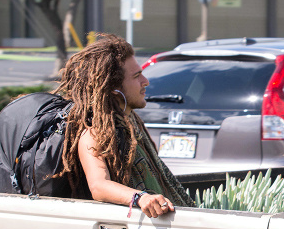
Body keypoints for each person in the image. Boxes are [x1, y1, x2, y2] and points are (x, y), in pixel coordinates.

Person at [57, 34, 194, 217]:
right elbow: (99, 185)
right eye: (137, 76)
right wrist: (141, 198)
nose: (145, 81)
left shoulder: (131, 121)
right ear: (114, 88)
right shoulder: (93, 131)